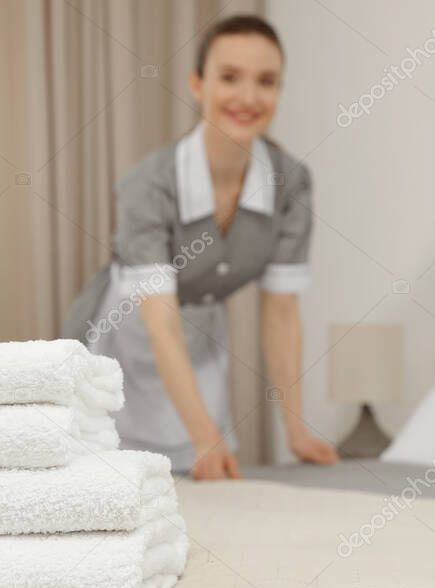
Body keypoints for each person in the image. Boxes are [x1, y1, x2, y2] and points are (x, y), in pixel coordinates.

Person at [62, 15, 339, 479]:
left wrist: (296, 432)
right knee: (117, 475)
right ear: (197, 84)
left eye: (266, 81)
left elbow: (281, 313)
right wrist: (202, 432)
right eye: (229, 77)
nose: (248, 98)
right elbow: (160, 321)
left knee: (207, 478)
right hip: (127, 330)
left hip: (201, 333)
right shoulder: (149, 184)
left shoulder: (289, 182)